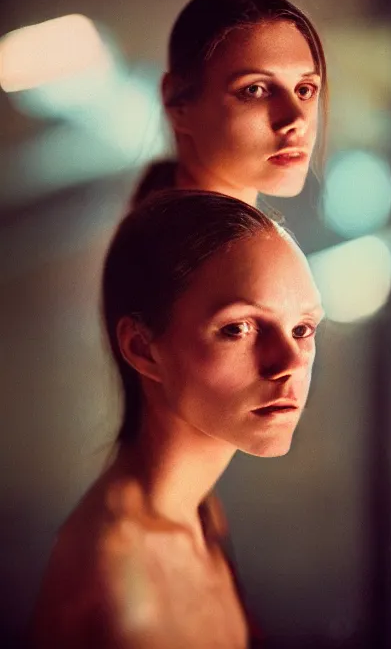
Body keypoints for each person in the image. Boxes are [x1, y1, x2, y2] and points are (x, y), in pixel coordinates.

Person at [30, 190, 324, 648]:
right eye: (238, 328)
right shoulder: (119, 589)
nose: (289, 361)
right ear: (142, 348)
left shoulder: (199, 514)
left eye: (303, 329)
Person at [131, 0, 328, 208]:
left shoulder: (156, 227)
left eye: (304, 90)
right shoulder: (244, 243)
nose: (297, 121)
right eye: (254, 90)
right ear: (178, 103)